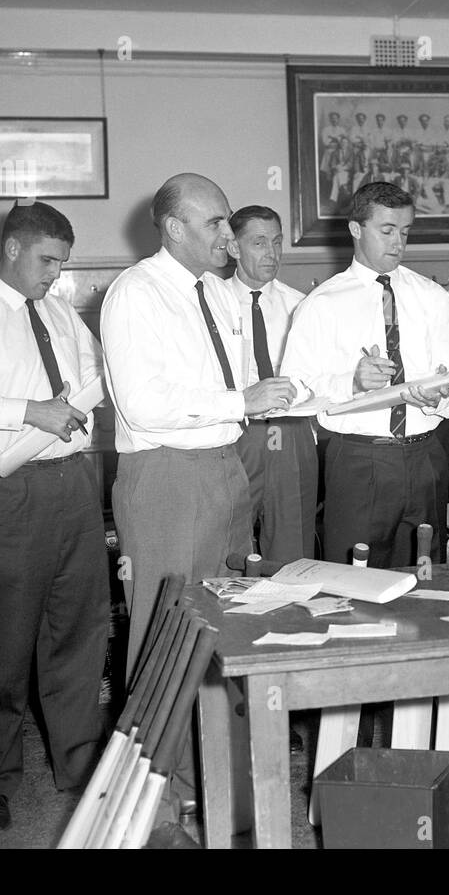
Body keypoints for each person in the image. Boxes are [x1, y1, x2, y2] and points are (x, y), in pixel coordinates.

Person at [101, 174, 296, 678]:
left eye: (227, 220)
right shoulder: (136, 292)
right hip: (168, 477)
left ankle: (215, 754)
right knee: (165, 630)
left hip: (226, 469)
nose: (227, 234)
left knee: (227, 615)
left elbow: (249, 385)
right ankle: (162, 758)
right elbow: (142, 404)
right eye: (214, 222)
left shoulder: (217, 292)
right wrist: (240, 401)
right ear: (174, 228)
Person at [0, 201, 109, 833]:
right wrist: (29, 410)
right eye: (48, 261)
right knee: (5, 637)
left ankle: (77, 764)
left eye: (63, 264)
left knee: (79, 627)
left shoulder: (62, 314)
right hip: (7, 488)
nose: (56, 275)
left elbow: (94, 379)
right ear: (14, 249)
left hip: (75, 485)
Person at [282, 181, 449, 568]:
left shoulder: (431, 297)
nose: (398, 242)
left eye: (405, 231)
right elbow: (295, 390)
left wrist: (442, 396)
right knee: (354, 580)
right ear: (355, 229)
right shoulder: (321, 305)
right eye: (387, 231)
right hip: (359, 460)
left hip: (426, 454)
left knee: (425, 573)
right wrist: (350, 382)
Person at [228, 205, 318, 562]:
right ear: (234, 248)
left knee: (292, 548)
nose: (271, 253)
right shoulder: (213, 303)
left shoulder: (302, 306)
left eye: (277, 242)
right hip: (238, 431)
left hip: (291, 431)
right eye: (259, 242)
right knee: (229, 540)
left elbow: (319, 375)